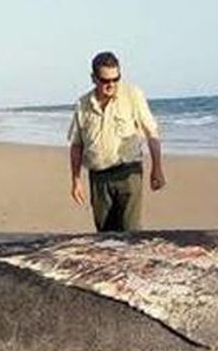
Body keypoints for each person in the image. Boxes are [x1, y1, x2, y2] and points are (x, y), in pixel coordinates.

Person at [68, 52, 166, 232]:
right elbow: (76, 145)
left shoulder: (132, 95)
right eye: (105, 80)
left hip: (128, 174)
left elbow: (151, 132)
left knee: (131, 232)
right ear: (93, 78)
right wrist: (76, 181)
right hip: (99, 178)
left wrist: (157, 168)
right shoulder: (83, 105)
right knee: (105, 234)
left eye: (116, 79)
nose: (111, 84)